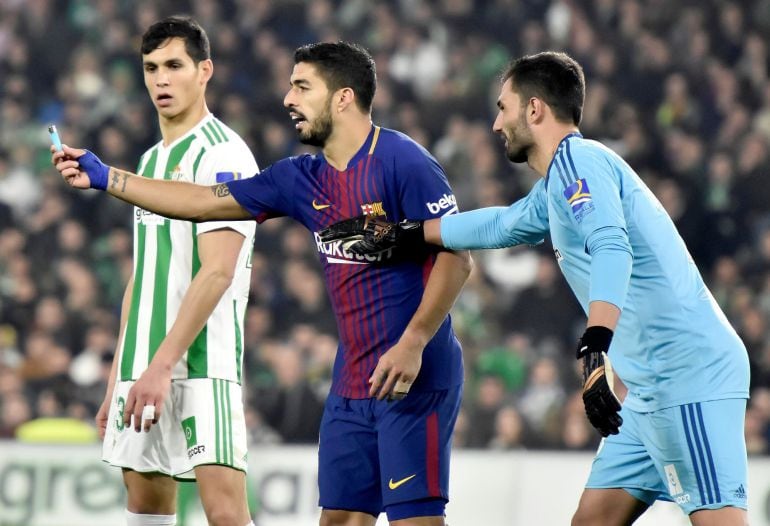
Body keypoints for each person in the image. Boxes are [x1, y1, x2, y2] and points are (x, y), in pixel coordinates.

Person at [318, 52, 751, 526]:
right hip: (650, 387)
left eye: (503, 108)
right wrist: (410, 233)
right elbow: (505, 224)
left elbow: (611, 247)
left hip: (688, 375)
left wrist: (595, 345)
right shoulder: (560, 184)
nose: (495, 123)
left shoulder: (577, 161)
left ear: (535, 109)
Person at [53, 41, 471, 526]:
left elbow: (457, 259)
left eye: (301, 87)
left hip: (416, 375)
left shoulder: (404, 161)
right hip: (353, 379)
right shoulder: (300, 178)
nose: (288, 99)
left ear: (343, 97)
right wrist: (107, 178)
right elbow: (203, 201)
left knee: (414, 521)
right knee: (339, 519)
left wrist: (413, 342)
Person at [81, 16, 258, 526]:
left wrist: (162, 365)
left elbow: (217, 271)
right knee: (147, 508)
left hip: (203, 364)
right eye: (151, 68)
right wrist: (121, 373)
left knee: (225, 514)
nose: (161, 79)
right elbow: (145, 274)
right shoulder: (149, 161)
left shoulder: (225, 154)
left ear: (205, 71)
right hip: (143, 365)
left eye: (174, 66)